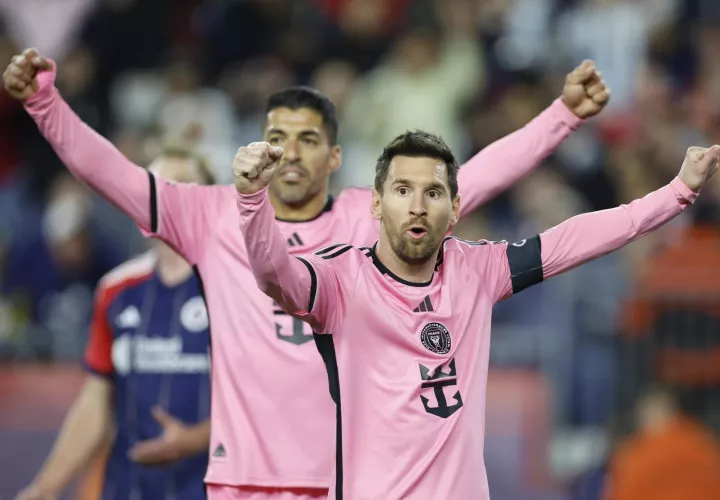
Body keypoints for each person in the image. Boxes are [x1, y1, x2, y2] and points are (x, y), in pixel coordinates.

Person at [4, 48, 609, 499]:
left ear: (336, 157)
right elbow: (107, 172)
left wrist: (562, 116)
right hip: (241, 478)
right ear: (258, 143)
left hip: (339, 480)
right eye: (277, 137)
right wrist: (44, 103)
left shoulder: (368, 218)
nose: (290, 152)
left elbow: (478, 175)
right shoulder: (208, 213)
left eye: (308, 139)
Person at [232, 136, 718, 499]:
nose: (417, 206)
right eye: (402, 190)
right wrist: (253, 202)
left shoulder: (477, 269)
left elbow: (574, 239)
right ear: (377, 204)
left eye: (433, 192)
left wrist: (677, 191)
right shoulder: (339, 281)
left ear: (456, 207)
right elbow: (275, 274)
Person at [16, 146, 215, 500]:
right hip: (128, 489)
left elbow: (271, 404)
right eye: (155, 186)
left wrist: (199, 438)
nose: (167, 195)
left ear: (211, 202)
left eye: (182, 184)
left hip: (212, 489)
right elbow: (96, 400)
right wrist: (46, 487)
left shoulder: (240, 290)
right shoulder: (116, 289)